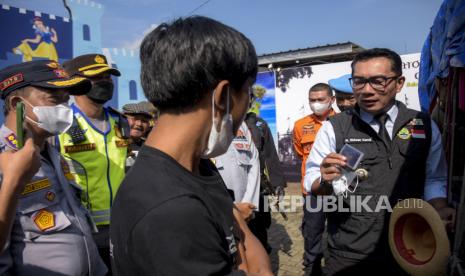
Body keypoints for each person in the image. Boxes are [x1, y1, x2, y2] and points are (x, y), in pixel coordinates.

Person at [110, 16, 272, 275]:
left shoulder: (198, 167)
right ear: (223, 96)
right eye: (248, 94)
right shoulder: (172, 209)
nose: (247, 107)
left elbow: (239, 231)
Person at [306, 48, 455, 275]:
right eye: (359, 82)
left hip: (410, 248)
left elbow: (434, 178)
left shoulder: (422, 125)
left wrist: (440, 208)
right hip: (349, 252)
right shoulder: (334, 128)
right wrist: (325, 181)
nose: (366, 90)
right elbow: (312, 183)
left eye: (378, 81)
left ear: (399, 83)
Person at [0, 60, 106, 275]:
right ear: (15, 104)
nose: (64, 108)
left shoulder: (54, 154)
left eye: (66, 100)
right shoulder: (4, 159)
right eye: (54, 99)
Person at [57, 54, 129, 273]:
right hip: (83, 230)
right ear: (76, 81)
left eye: (108, 76)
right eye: (97, 76)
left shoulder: (121, 122)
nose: (106, 81)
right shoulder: (61, 124)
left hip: (123, 225)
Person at [292, 83, 335, 275]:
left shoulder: (343, 122)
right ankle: (312, 266)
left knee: (340, 229)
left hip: (338, 189)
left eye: (321, 100)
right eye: (312, 100)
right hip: (312, 190)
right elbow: (300, 153)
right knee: (312, 231)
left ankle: (336, 263)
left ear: (331, 100)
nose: (316, 104)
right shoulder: (300, 125)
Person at [244, 94, 287, 253]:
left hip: (259, 185)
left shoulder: (260, 125)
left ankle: (261, 253)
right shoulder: (222, 123)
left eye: (248, 97)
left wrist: (277, 184)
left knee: (261, 224)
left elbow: (271, 156)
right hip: (232, 187)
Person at [214, 121, 261, 222]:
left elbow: (253, 159)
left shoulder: (240, 124)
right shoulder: (198, 121)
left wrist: (248, 202)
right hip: (217, 215)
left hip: (245, 212)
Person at [122, 101, 157, 171]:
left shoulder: (152, 148)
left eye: (144, 121)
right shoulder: (110, 144)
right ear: (122, 119)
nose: (139, 124)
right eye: (134, 119)